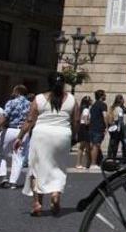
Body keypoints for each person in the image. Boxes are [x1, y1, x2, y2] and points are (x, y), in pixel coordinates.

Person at [15, 72, 79, 216]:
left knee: (36, 168)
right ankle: (55, 194)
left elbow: (30, 120)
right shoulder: (72, 100)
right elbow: (76, 121)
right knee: (58, 167)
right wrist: (73, 136)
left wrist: (20, 137)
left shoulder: (38, 99)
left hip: (41, 135)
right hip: (63, 134)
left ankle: (37, 202)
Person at [0, 85, 31, 189]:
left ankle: (3, 178)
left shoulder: (11, 102)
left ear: (17, 92)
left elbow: (4, 116)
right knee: (18, 157)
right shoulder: (30, 104)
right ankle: (13, 182)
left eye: (13, 91)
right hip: (23, 131)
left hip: (10, 129)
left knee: (2, 154)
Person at [88, 90, 108, 169]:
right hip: (98, 127)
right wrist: (106, 126)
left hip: (92, 127)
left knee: (94, 145)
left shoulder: (93, 105)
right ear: (101, 96)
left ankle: (94, 162)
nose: (105, 96)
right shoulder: (103, 104)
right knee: (96, 145)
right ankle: (93, 164)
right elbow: (105, 116)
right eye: (104, 95)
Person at [106, 94, 126, 160]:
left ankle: (110, 156)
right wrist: (120, 129)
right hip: (118, 126)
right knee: (121, 143)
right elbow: (120, 119)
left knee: (112, 142)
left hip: (112, 126)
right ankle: (122, 158)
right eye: (123, 99)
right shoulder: (119, 109)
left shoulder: (112, 107)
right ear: (121, 100)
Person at [75, 95, 92, 169]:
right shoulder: (86, 110)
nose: (92, 101)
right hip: (85, 128)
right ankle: (79, 163)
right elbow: (85, 120)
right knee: (83, 147)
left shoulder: (82, 109)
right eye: (90, 100)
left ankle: (88, 163)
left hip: (82, 128)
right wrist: (90, 122)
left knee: (86, 147)